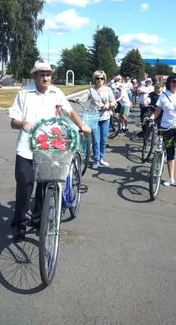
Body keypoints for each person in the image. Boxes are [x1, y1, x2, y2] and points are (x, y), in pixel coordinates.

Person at [9, 59, 91, 241]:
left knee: (45, 186)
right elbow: (13, 121)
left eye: (48, 74)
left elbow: (70, 112)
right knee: (24, 186)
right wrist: (23, 123)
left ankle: (39, 219)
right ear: (35, 76)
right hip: (26, 148)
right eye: (41, 74)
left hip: (50, 148)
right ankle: (20, 222)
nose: (45, 78)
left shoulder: (56, 93)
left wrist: (82, 125)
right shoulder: (24, 93)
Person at [149, 74, 176, 192]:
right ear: (169, 83)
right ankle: (171, 177)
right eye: (174, 81)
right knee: (170, 152)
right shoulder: (163, 96)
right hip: (167, 128)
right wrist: (151, 118)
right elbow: (157, 112)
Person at [77, 70, 116, 169]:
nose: (100, 80)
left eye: (102, 78)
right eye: (98, 78)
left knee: (103, 140)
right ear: (95, 79)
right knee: (96, 140)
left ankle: (101, 158)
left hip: (105, 117)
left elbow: (114, 103)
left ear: (104, 79)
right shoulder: (91, 90)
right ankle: (96, 159)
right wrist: (77, 99)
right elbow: (83, 99)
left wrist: (109, 104)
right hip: (94, 118)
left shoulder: (108, 90)